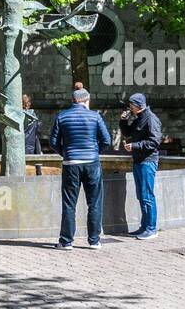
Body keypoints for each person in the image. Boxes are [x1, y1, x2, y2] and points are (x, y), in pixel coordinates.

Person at [49, 86, 110, 249]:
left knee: (69, 203)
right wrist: (95, 152)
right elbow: (107, 140)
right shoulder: (95, 116)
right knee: (95, 202)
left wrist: (66, 153)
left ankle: (66, 241)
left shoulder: (62, 116)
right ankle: (94, 241)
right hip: (92, 163)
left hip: (71, 164)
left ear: (73, 100)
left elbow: (53, 143)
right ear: (86, 100)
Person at [123, 92, 162, 239]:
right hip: (138, 161)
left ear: (137, 105)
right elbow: (128, 132)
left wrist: (134, 146)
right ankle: (144, 226)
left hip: (147, 161)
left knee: (147, 195)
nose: (129, 107)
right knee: (141, 195)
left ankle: (151, 229)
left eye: (131, 105)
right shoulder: (139, 118)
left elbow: (154, 142)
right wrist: (123, 121)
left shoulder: (151, 119)